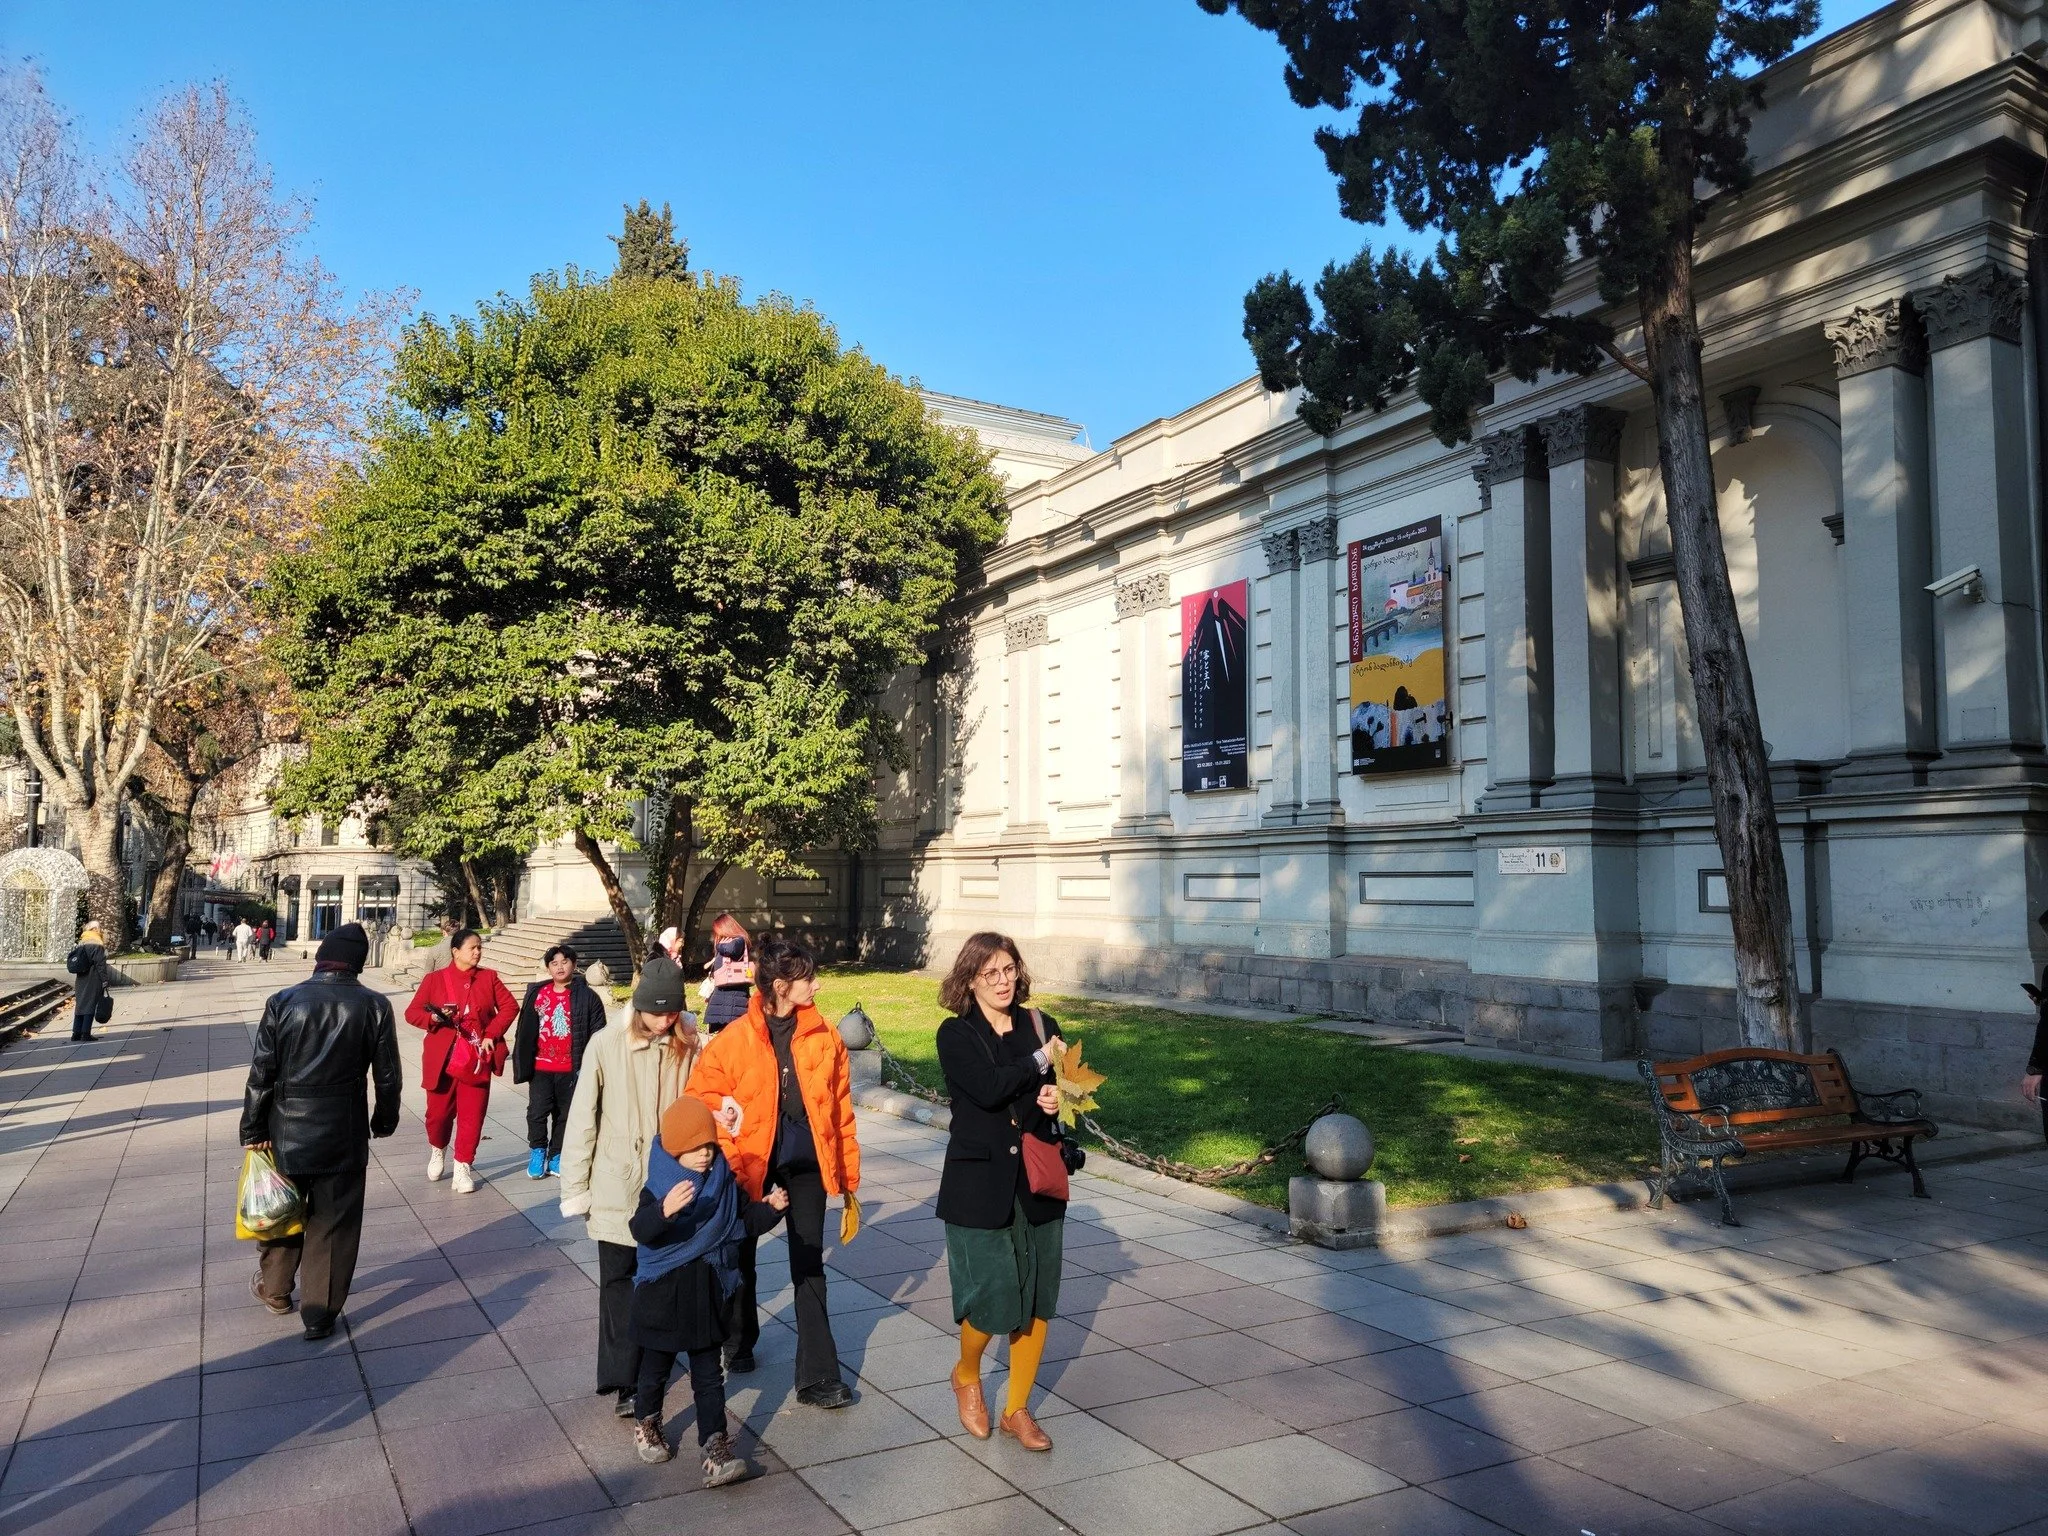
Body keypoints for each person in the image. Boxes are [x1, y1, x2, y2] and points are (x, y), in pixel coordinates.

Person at [688, 933, 859, 1407]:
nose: (817, 987)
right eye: (808, 979)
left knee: (808, 1262)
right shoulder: (734, 1041)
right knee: (740, 1249)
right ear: (781, 985)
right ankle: (739, 1340)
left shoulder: (826, 1037)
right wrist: (726, 1134)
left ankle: (819, 1377)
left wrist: (846, 1174)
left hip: (806, 1165)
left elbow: (840, 1109)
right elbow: (702, 1096)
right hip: (751, 1162)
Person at [936, 932, 1068, 1452]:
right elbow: (989, 1089)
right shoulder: (955, 1034)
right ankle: (966, 1374)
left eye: (1009, 969)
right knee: (991, 1299)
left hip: (1037, 1179)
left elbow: (1051, 1093)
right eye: (990, 973)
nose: (1003, 981)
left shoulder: (1041, 1026)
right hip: (979, 1183)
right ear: (970, 980)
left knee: (1036, 1297)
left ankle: (1017, 1408)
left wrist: (1057, 1097)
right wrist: (1039, 1064)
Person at [240, 923, 402, 1340]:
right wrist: (383, 1121)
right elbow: (387, 1076)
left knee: (282, 1209)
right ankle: (319, 1314)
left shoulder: (283, 1001)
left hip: (285, 1128)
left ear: (321, 958)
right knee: (334, 1223)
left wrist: (254, 1127)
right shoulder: (375, 1006)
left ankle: (276, 1291)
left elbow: (262, 1072)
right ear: (358, 963)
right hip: (344, 1131)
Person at [559, 955, 701, 1420]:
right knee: (619, 1281)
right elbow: (582, 1119)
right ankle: (622, 1379)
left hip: (667, 1183)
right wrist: (576, 1188)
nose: (665, 1021)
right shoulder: (604, 1045)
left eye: (672, 1012)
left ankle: (650, 1373)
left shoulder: (687, 1045)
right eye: (657, 1012)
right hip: (617, 1180)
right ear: (638, 1008)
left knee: (659, 1279)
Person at [627, 1095, 788, 1483]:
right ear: (676, 1147)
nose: (704, 1155)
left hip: (705, 1293)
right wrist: (664, 1211)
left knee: (709, 1375)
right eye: (695, 1148)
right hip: (663, 1296)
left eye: (710, 1146)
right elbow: (640, 1230)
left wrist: (770, 1208)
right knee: (655, 1369)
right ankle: (647, 1422)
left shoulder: (722, 1182)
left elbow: (742, 1221)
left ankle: (715, 1446)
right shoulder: (659, 1186)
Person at [404, 928, 517, 1193]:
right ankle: (438, 1149)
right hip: (442, 1059)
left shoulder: (489, 978)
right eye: (472, 948)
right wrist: (432, 1018)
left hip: (476, 1058)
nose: (477, 952)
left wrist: (491, 1033)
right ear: (456, 951)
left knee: (472, 1115)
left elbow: (510, 1006)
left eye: (480, 947)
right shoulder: (435, 980)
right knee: (438, 1115)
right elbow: (412, 1012)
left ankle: (463, 1167)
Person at [513, 943, 608, 1178]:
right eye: (554, 963)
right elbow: (525, 1030)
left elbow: (599, 1033)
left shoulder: (588, 997)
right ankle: (537, 1151)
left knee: (565, 1115)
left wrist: (591, 1066)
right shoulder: (537, 994)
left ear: (574, 965)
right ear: (548, 968)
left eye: (564, 962)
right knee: (537, 1112)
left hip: (571, 1068)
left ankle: (556, 1154)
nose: (559, 967)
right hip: (541, 1067)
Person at [698, 914, 754, 1035]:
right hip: (724, 994)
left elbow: (731, 949)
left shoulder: (738, 940)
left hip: (733, 995)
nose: (716, 936)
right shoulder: (729, 942)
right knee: (723, 1032)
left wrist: (718, 945)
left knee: (731, 1031)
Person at [65, 923, 112, 1043]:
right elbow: (100, 965)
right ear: (95, 929)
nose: (101, 930)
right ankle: (86, 1033)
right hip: (93, 978)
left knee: (80, 1005)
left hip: (81, 978)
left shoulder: (82, 942)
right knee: (90, 1004)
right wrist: (105, 980)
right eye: (100, 928)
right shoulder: (97, 944)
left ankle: (76, 1033)